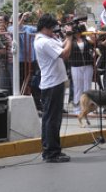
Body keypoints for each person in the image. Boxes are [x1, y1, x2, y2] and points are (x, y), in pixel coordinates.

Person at [34, 14, 73, 163]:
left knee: (51, 118)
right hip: (52, 84)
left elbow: (61, 46)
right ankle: (51, 152)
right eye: (52, 28)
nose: (53, 31)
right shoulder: (43, 42)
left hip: (54, 83)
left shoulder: (48, 39)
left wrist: (68, 36)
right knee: (52, 119)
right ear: (45, 27)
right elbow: (64, 54)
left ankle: (52, 150)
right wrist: (69, 37)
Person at [68, 23, 95, 111]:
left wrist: (86, 30)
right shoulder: (71, 41)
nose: (77, 33)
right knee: (77, 87)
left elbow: (94, 42)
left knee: (87, 86)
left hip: (87, 65)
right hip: (75, 66)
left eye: (79, 31)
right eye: (75, 31)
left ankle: (88, 108)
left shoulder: (86, 39)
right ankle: (77, 108)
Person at [0, 16, 13, 94]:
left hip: (10, 60)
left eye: (1, 21)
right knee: (3, 82)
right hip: (3, 61)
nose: (0, 22)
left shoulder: (9, 34)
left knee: (10, 81)